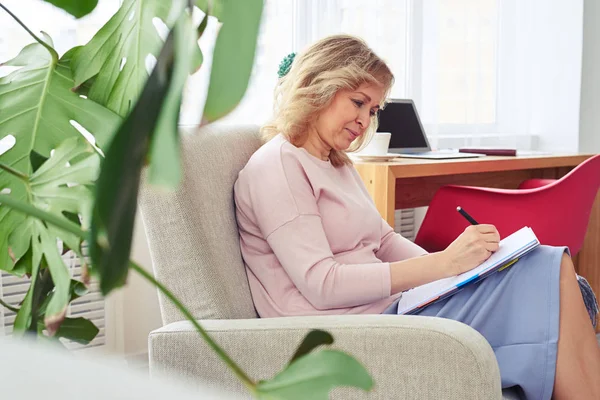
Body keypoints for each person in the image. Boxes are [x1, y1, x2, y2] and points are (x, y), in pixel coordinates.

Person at [233, 34, 600, 399]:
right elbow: (322, 284)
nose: (364, 120)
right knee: (546, 271)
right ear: (318, 86)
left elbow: (385, 240)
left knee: (545, 267)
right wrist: (442, 265)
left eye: (372, 110)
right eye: (358, 102)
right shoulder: (279, 166)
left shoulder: (335, 162)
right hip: (348, 328)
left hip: (385, 309)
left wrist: (462, 273)